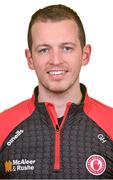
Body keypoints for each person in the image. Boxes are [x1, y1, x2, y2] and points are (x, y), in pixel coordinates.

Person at [0, 4, 113, 179]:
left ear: (85, 54)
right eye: (44, 50)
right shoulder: (3, 126)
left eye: (67, 48)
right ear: (30, 59)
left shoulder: (110, 124)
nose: (56, 60)